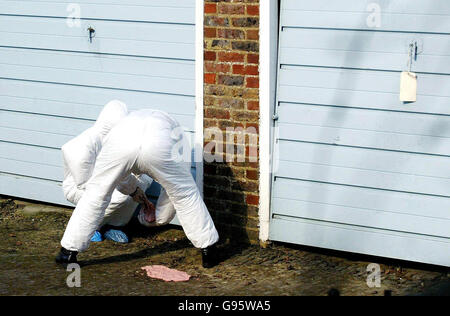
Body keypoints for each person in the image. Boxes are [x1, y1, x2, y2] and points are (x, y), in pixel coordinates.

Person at [56, 107, 219, 268]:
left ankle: (68, 252)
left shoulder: (123, 124)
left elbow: (120, 177)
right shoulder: (178, 132)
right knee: (185, 193)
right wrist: (159, 218)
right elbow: (177, 192)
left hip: (121, 143)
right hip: (159, 145)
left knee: (96, 194)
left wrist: (133, 191)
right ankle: (208, 250)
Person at [60, 100, 153, 244]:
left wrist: (136, 189)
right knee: (122, 195)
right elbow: (87, 184)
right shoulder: (81, 146)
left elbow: (120, 170)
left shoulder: (114, 141)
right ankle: (89, 226)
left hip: (106, 182)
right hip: (80, 187)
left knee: (144, 179)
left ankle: (115, 225)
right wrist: (127, 186)